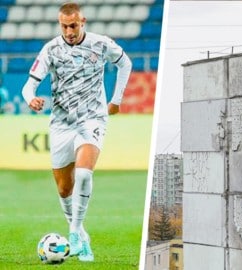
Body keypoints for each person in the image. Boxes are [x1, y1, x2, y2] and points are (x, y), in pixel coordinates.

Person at [21, 2, 132, 262]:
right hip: (61, 123)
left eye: (73, 25)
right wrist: (31, 99)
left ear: (83, 21)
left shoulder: (101, 44)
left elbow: (125, 63)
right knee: (63, 189)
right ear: (60, 24)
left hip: (92, 118)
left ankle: (73, 234)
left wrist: (116, 99)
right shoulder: (51, 49)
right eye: (64, 26)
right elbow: (29, 86)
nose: (69, 31)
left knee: (83, 172)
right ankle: (83, 235)